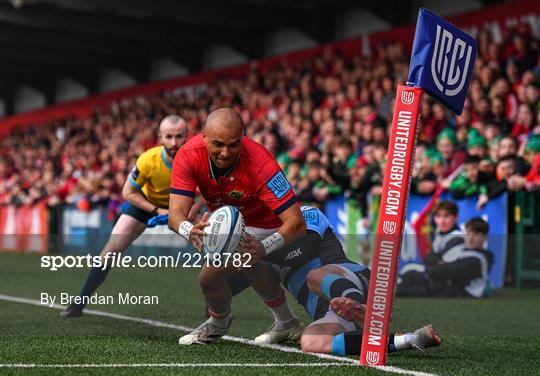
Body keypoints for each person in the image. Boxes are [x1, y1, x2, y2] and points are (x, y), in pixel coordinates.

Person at [220, 206, 442, 355]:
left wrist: (261, 252)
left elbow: (304, 247)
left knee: (313, 276)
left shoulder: (306, 213)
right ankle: (409, 339)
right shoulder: (256, 243)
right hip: (325, 307)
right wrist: (221, 260)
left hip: (349, 279)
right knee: (310, 342)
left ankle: (362, 309)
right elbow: (228, 288)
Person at [168, 107, 307, 345]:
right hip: (229, 221)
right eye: (218, 144)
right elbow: (175, 215)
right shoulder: (188, 154)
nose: (225, 152)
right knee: (223, 274)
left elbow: (296, 223)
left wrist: (263, 247)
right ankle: (286, 323)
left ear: (242, 137)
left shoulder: (261, 164)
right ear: (203, 136)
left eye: (233, 145)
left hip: (267, 225)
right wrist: (188, 229)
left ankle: (218, 323)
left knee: (209, 277)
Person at [60, 116, 190, 317]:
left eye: (179, 136)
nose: (174, 142)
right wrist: (155, 210)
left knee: (211, 244)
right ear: (160, 136)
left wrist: (183, 211)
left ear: (187, 135)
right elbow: (128, 192)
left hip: (183, 205)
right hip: (147, 205)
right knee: (111, 249)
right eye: (169, 137)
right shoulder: (148, 159)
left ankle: (214, 314)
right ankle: (80, 302)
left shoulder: (196, 159)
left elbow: (201, 193)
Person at [397, 218, 494, 298]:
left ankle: (395, 289)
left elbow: (450, 271)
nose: (471, 238)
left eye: (476, 234)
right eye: (468, 233)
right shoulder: (462, 248)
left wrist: (432, 269)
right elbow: (438, 259)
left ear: (485, 237)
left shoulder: (480, 258)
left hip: (460, 292)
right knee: (413, 274)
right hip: (444, 282)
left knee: (420, 286)